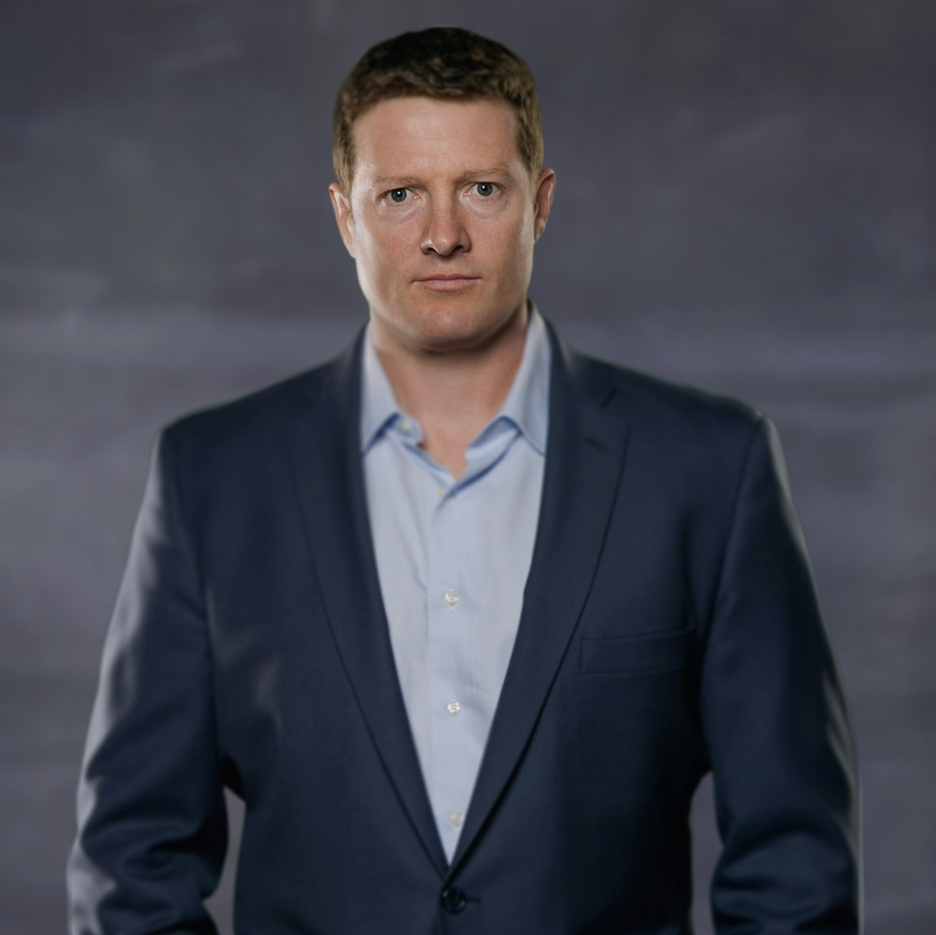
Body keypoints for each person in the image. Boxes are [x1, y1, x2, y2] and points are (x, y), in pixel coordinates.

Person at [68, 26, 860, 935]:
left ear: (540, 203)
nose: (443, 235)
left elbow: (795, 857)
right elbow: (132, 859)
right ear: (345, 217)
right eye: (400, 195)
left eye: (482, 189)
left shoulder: (708, 468)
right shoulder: (213, 479)